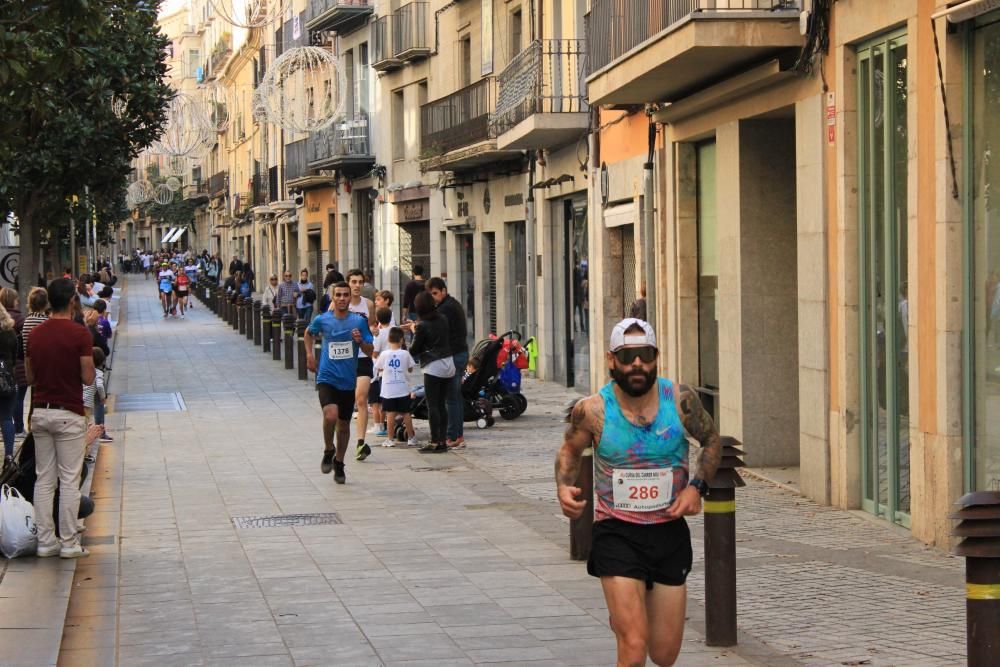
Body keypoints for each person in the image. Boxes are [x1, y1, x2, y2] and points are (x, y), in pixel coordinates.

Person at [554, 318, 722, 667]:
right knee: (634, 646)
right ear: (611, 360)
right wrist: (563, 487)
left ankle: (627, 616)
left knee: (663, 653)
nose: (637, 365)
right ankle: (627, 619)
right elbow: (570, 451)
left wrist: (696, 488)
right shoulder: (593, 410)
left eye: (645, 355)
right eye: (627, 356)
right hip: (616, 532)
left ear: (656, 356)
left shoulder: (680, 400)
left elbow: (711, 441)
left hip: (668, 533)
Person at [27, 277, 96, 559]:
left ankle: (45, 542)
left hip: (40, 411)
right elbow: (88, 376)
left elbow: (30, 376)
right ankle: (68, 542)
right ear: (71, 301)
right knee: (69, 480)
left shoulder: (34, 335)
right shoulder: (80, 335)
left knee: (44, 479)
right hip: (68, 412)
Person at [303, 282, 374, 485]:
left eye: (345, 295)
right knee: (330, 414)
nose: (342, 298)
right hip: (326, 376)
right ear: (332, 298)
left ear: (350, 297)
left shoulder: (358, 321)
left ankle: (340, 462)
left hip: (347, 380)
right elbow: (308, 333)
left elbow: (370, 352)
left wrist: (360, 342)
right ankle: (328, 448)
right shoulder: (323, 320)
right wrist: (309, 355)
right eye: (338, 295)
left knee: (343, 424)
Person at [405, 291, 454, 453]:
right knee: (441, 404)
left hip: (433, 366)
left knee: (432, 405)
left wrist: (413, 329)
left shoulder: (423, 325)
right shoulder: (443, 319)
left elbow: (414, 349)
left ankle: (434, 441)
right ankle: (443, 441)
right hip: (448, 363)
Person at [426, 277, 469, 449]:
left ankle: (453, 435)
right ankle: (457, 435)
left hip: (454, 355)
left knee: (451, 398)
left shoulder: (446, 308)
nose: (433, 297)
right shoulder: (451, 304)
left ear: (443, 290)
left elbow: (439, 333)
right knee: (454, 397)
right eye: (430, 295)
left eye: (435, 293)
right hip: (459, 353)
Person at [346, 269, 376, 461]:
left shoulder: (369, 304)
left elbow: (372, 328)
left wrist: (371, 333)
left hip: (364, 358)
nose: (357, 285)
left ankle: (360, 442)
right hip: (345, 359)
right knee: (345, 402)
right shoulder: (339, 303)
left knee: (361, 399)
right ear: (348, 283)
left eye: (360, 282)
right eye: (354, 282)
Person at [375, 327, 417, 447]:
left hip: (389, 390)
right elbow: (410, 368)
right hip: (403, 389)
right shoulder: (405, 353)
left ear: (388, 339)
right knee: (406, 413)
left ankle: (390, 439)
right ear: (402, 340)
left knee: (390, 414)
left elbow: (378, 367)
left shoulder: (384, 354)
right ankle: (411, 437)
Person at [18, 288, 48, 436]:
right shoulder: (45, 321)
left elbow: (25, 347)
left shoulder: (27, 321)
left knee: (34, 395)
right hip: (45, 365)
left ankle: (31, 422)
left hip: (30, 364)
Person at [2, 288, 26, 437]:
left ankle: (6, 426)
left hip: (3, 367)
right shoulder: (20, 319)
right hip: (18, 365)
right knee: (18, 398)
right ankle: (18, 427)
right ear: (13, 301)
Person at [369, 307, 393, 438]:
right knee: (385, 399)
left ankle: (379, 425)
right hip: (393, 367)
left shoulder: (379, 334)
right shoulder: (394, 331)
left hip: (380, 369)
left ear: (378, 319)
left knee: (376, 401)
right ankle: (384, 424)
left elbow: (375, 352)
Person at [0, 302, 18, 470]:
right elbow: (15, 358)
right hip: (7, 380)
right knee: (6, 418)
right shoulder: (10, 333)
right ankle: (9, 455)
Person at [83, 347, 108, 450]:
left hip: (80, 400)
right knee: (83, 426)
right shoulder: (98, 373)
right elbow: (99, 386)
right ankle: (84, 450)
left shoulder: (86, 371)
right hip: (86, 403)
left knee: (82, 425)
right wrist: (103, 397)